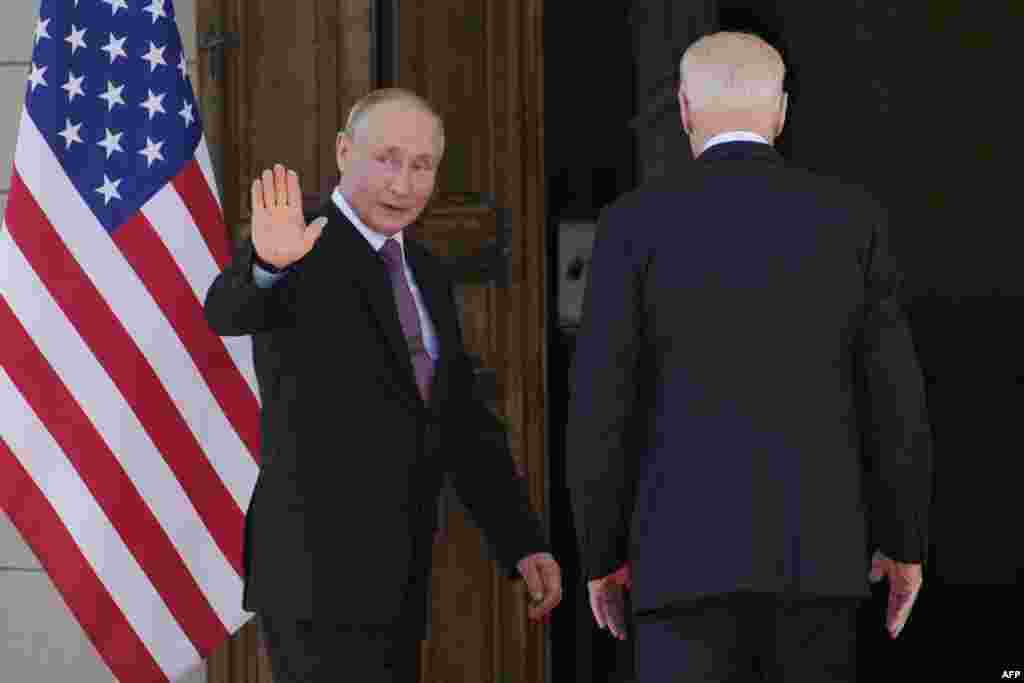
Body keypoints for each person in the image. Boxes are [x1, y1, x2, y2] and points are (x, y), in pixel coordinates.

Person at [566, 32, 932, 682]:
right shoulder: (853, 219)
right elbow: (895, 400)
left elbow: (601, 405)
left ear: (682, 109)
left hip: (680, 573)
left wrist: (602, 553)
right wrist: (904, 543)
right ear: (782, 110)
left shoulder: (632, 223)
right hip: (817, 572)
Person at [204, 88, 562, 682]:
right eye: (387, 159)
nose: (403, 184)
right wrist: (268, 266)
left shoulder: (424, 270)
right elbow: (228, 311)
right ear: (344, 152)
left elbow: (461, 423)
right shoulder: (300, 242)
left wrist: (521, 539)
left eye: (421, 166)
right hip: (315, 580)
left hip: (400, 580)